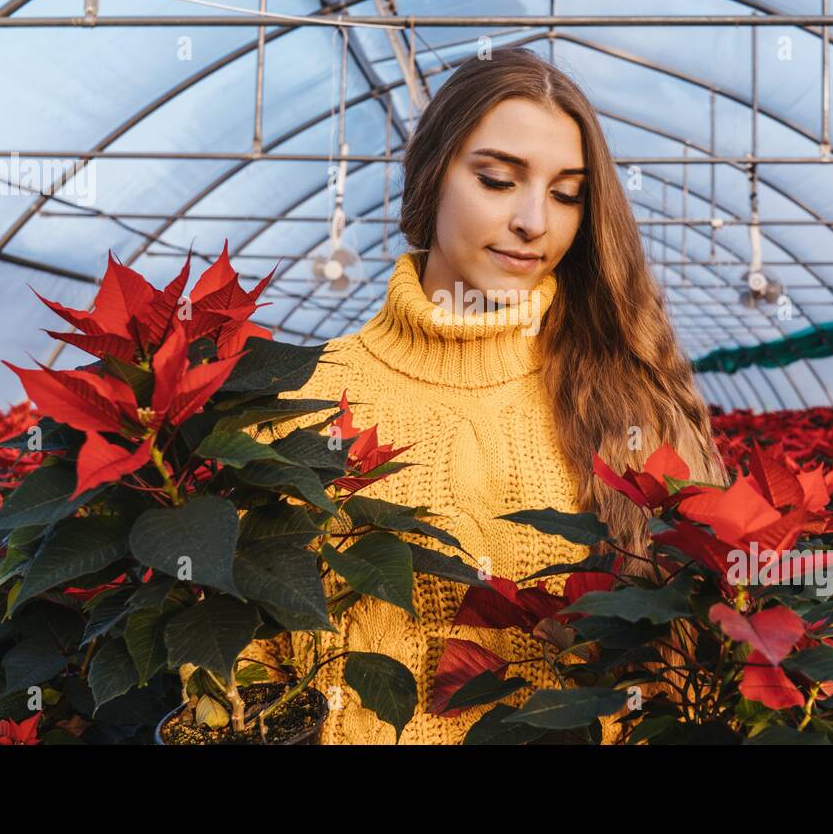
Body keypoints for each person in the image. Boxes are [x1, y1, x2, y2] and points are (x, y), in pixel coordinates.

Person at [244, 46, 729, 744]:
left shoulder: (627, 406)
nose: (536, 221)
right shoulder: (299, 398)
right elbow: (253, 670)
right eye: (499, 180)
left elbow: (679, 680)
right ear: (431, 176)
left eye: (567, 194)